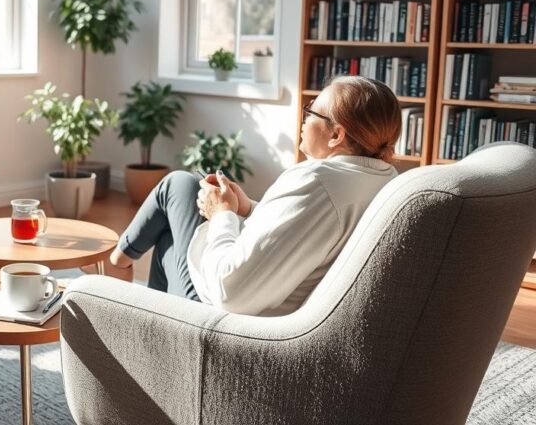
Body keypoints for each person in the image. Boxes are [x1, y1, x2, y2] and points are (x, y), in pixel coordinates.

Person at [100, 75, 401, 316]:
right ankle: (143, 316)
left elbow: (231, 293)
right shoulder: (379, 178)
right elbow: (302, 232)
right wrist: (247, 208)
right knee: (169, 234)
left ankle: (118, 264)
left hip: (233, 326)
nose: (304, 118)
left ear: (336, 135)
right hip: (273, 304)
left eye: (312, 111)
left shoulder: (317, 181)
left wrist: (223, 215)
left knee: (178, 184)